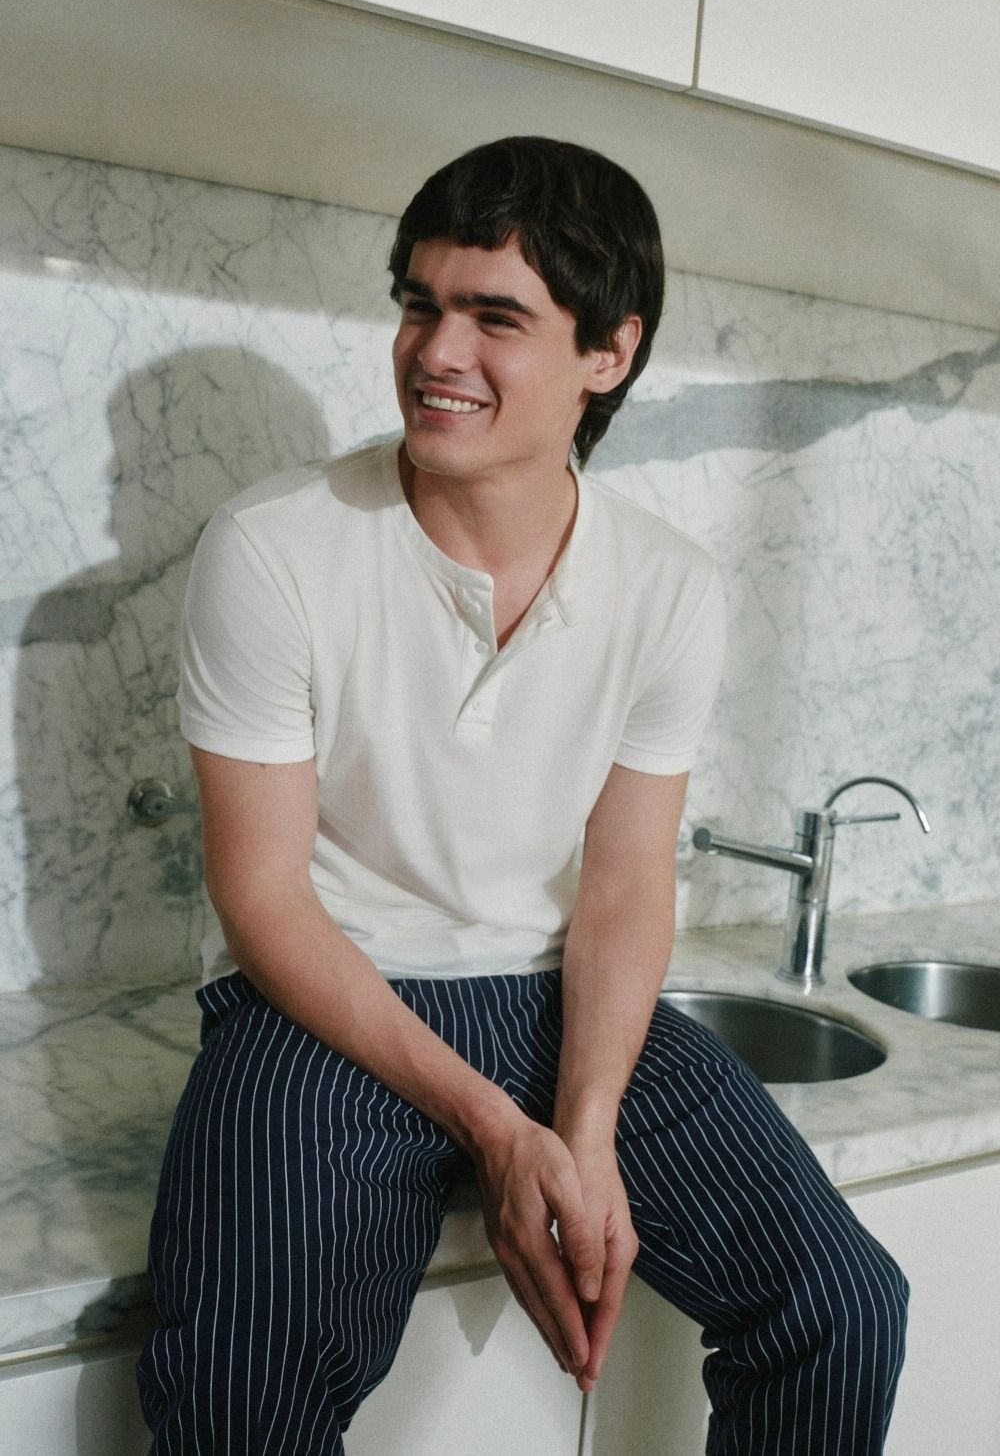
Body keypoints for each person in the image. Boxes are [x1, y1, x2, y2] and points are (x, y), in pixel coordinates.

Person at [137, 136, 908, 1455]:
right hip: (324, 1004)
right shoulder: (274, 546)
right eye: (420, 304)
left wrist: (585, 1129)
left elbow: (624, 879)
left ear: (610, 351)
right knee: (239, 1394)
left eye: (496, 318)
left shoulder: (669, 588)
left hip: (558, 1000)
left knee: (840, 1305)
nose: (436, 352)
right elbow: (261, 897)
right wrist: (498, 1130)